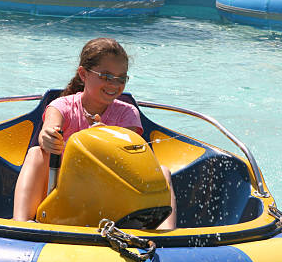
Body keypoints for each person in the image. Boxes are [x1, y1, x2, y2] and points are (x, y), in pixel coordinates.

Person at [12, 38, 177, 229]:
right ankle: (21, 224)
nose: (114, 84)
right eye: (106, 76)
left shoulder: (128, 113)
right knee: (36, 154)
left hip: (113, 198)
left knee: (162, 171)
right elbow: (47, 131)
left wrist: (106, 139)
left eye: (121, 78)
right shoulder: (62, 106)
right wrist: (49, 138)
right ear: (83, 74)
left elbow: (131, 157)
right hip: (64, 196)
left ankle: (167, 235)